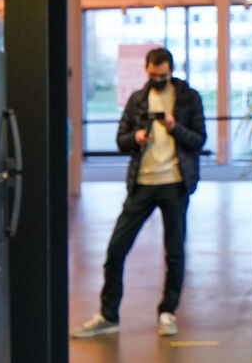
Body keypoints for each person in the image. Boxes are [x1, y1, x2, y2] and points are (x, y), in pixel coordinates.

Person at [72, 47, 207, 339]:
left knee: (174, 253)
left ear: (171, 71)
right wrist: (136, 137)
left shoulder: (188, 98)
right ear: (146, 71)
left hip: (174, 184)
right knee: (116, 249)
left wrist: (174, 128)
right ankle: (108, 315)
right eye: (153, 75)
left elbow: (198, 141)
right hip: (141, 185)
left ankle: (167, 312)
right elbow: (121, 140)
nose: (158, 79)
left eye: (163, 75)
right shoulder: (137, 100)